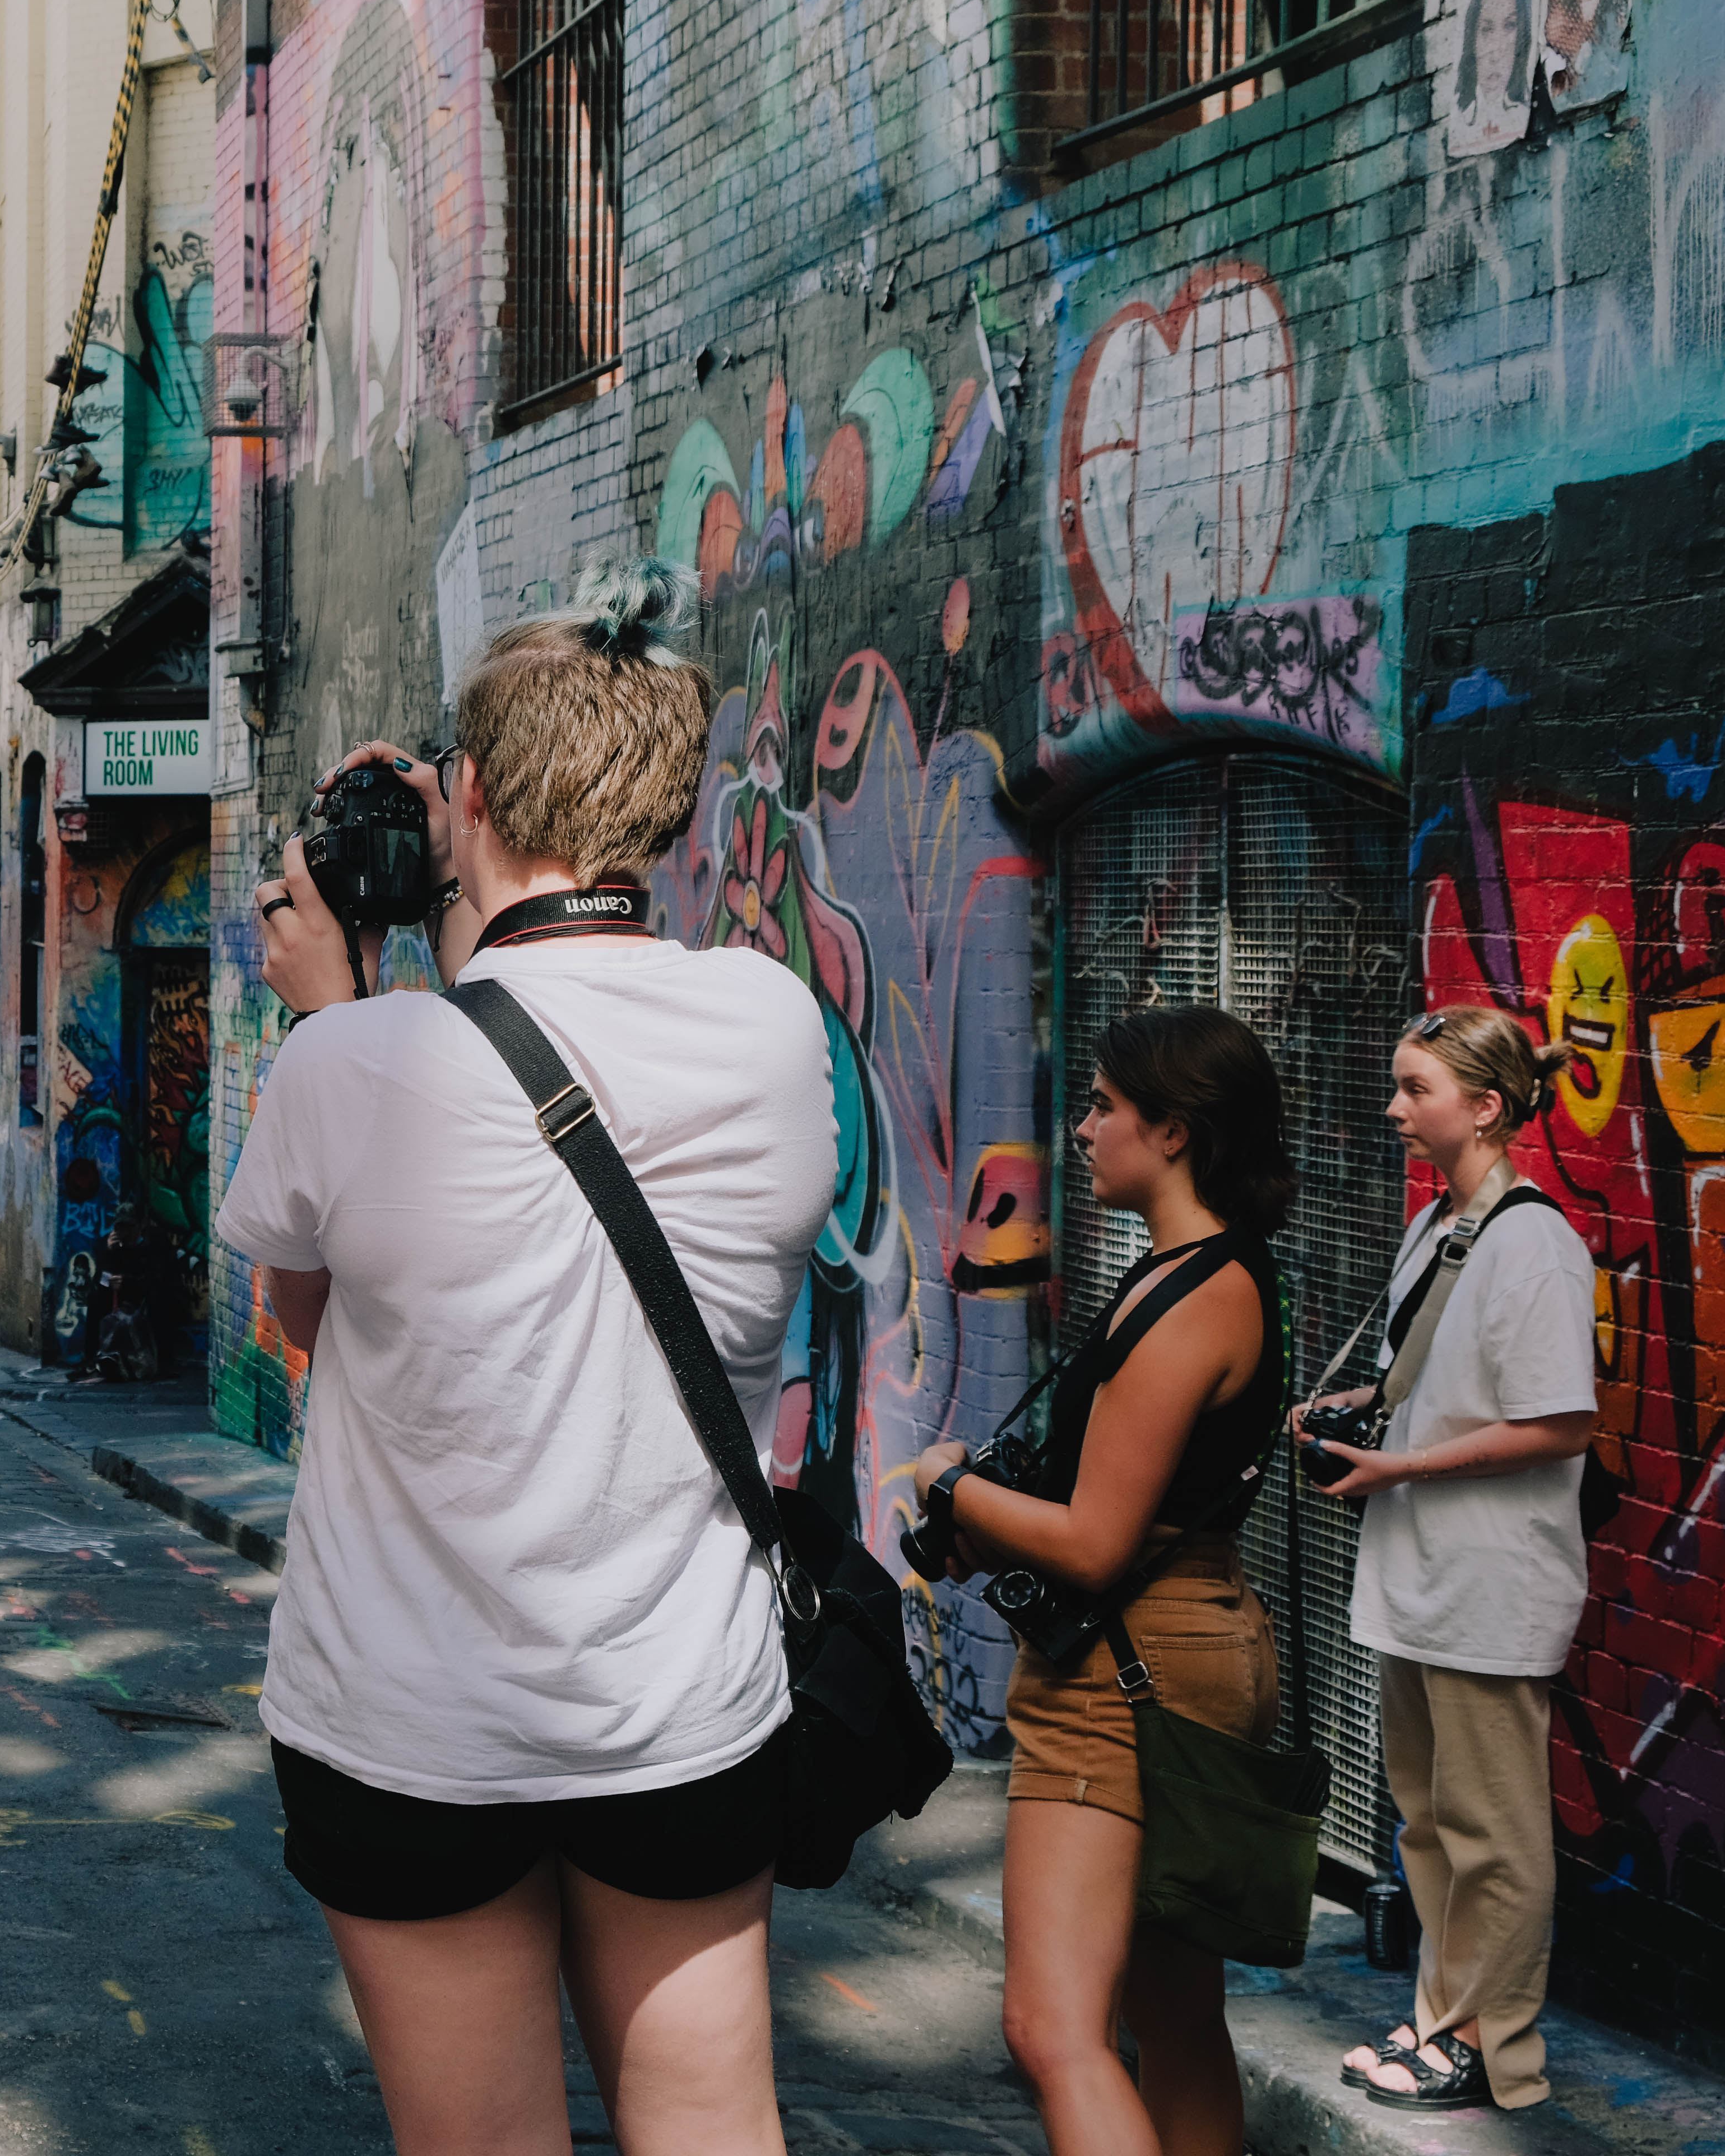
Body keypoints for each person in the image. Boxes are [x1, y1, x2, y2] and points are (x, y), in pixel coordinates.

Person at [216, 573, 837, 2156]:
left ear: (473, 797)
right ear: (670, 807)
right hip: (677, 1707)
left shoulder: (349, 1059)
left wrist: (343, 996)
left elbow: (307, 1319)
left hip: (410, 1725)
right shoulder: (772, 1021)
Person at [921, 1007, 1295, 2156]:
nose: (1083, 1129)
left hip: (1126, 1677)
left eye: (1103, 1106)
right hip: (1173, 1648)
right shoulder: (1196, 1273)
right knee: (1172, 2017)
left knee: (1053, 2029)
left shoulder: (1202, 1293)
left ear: (1174, 1131)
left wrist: (949, 1484)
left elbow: (1093, 1543)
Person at [1299, 1007, 1596, 2113]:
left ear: (1484, 1106)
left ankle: (1491, 2047)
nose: (1394, 1108)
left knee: (1493, 1836)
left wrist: (1401, 1467)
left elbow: (1560, 1422)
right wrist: (1360, 1404)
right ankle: (1441, 2014)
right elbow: (1441, 1378)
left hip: (1488, 1583)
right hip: (1417, 1575)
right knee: (1427, 1820)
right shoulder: (1440, 1225)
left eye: (1415, 1088)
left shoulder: (1535, 1243)